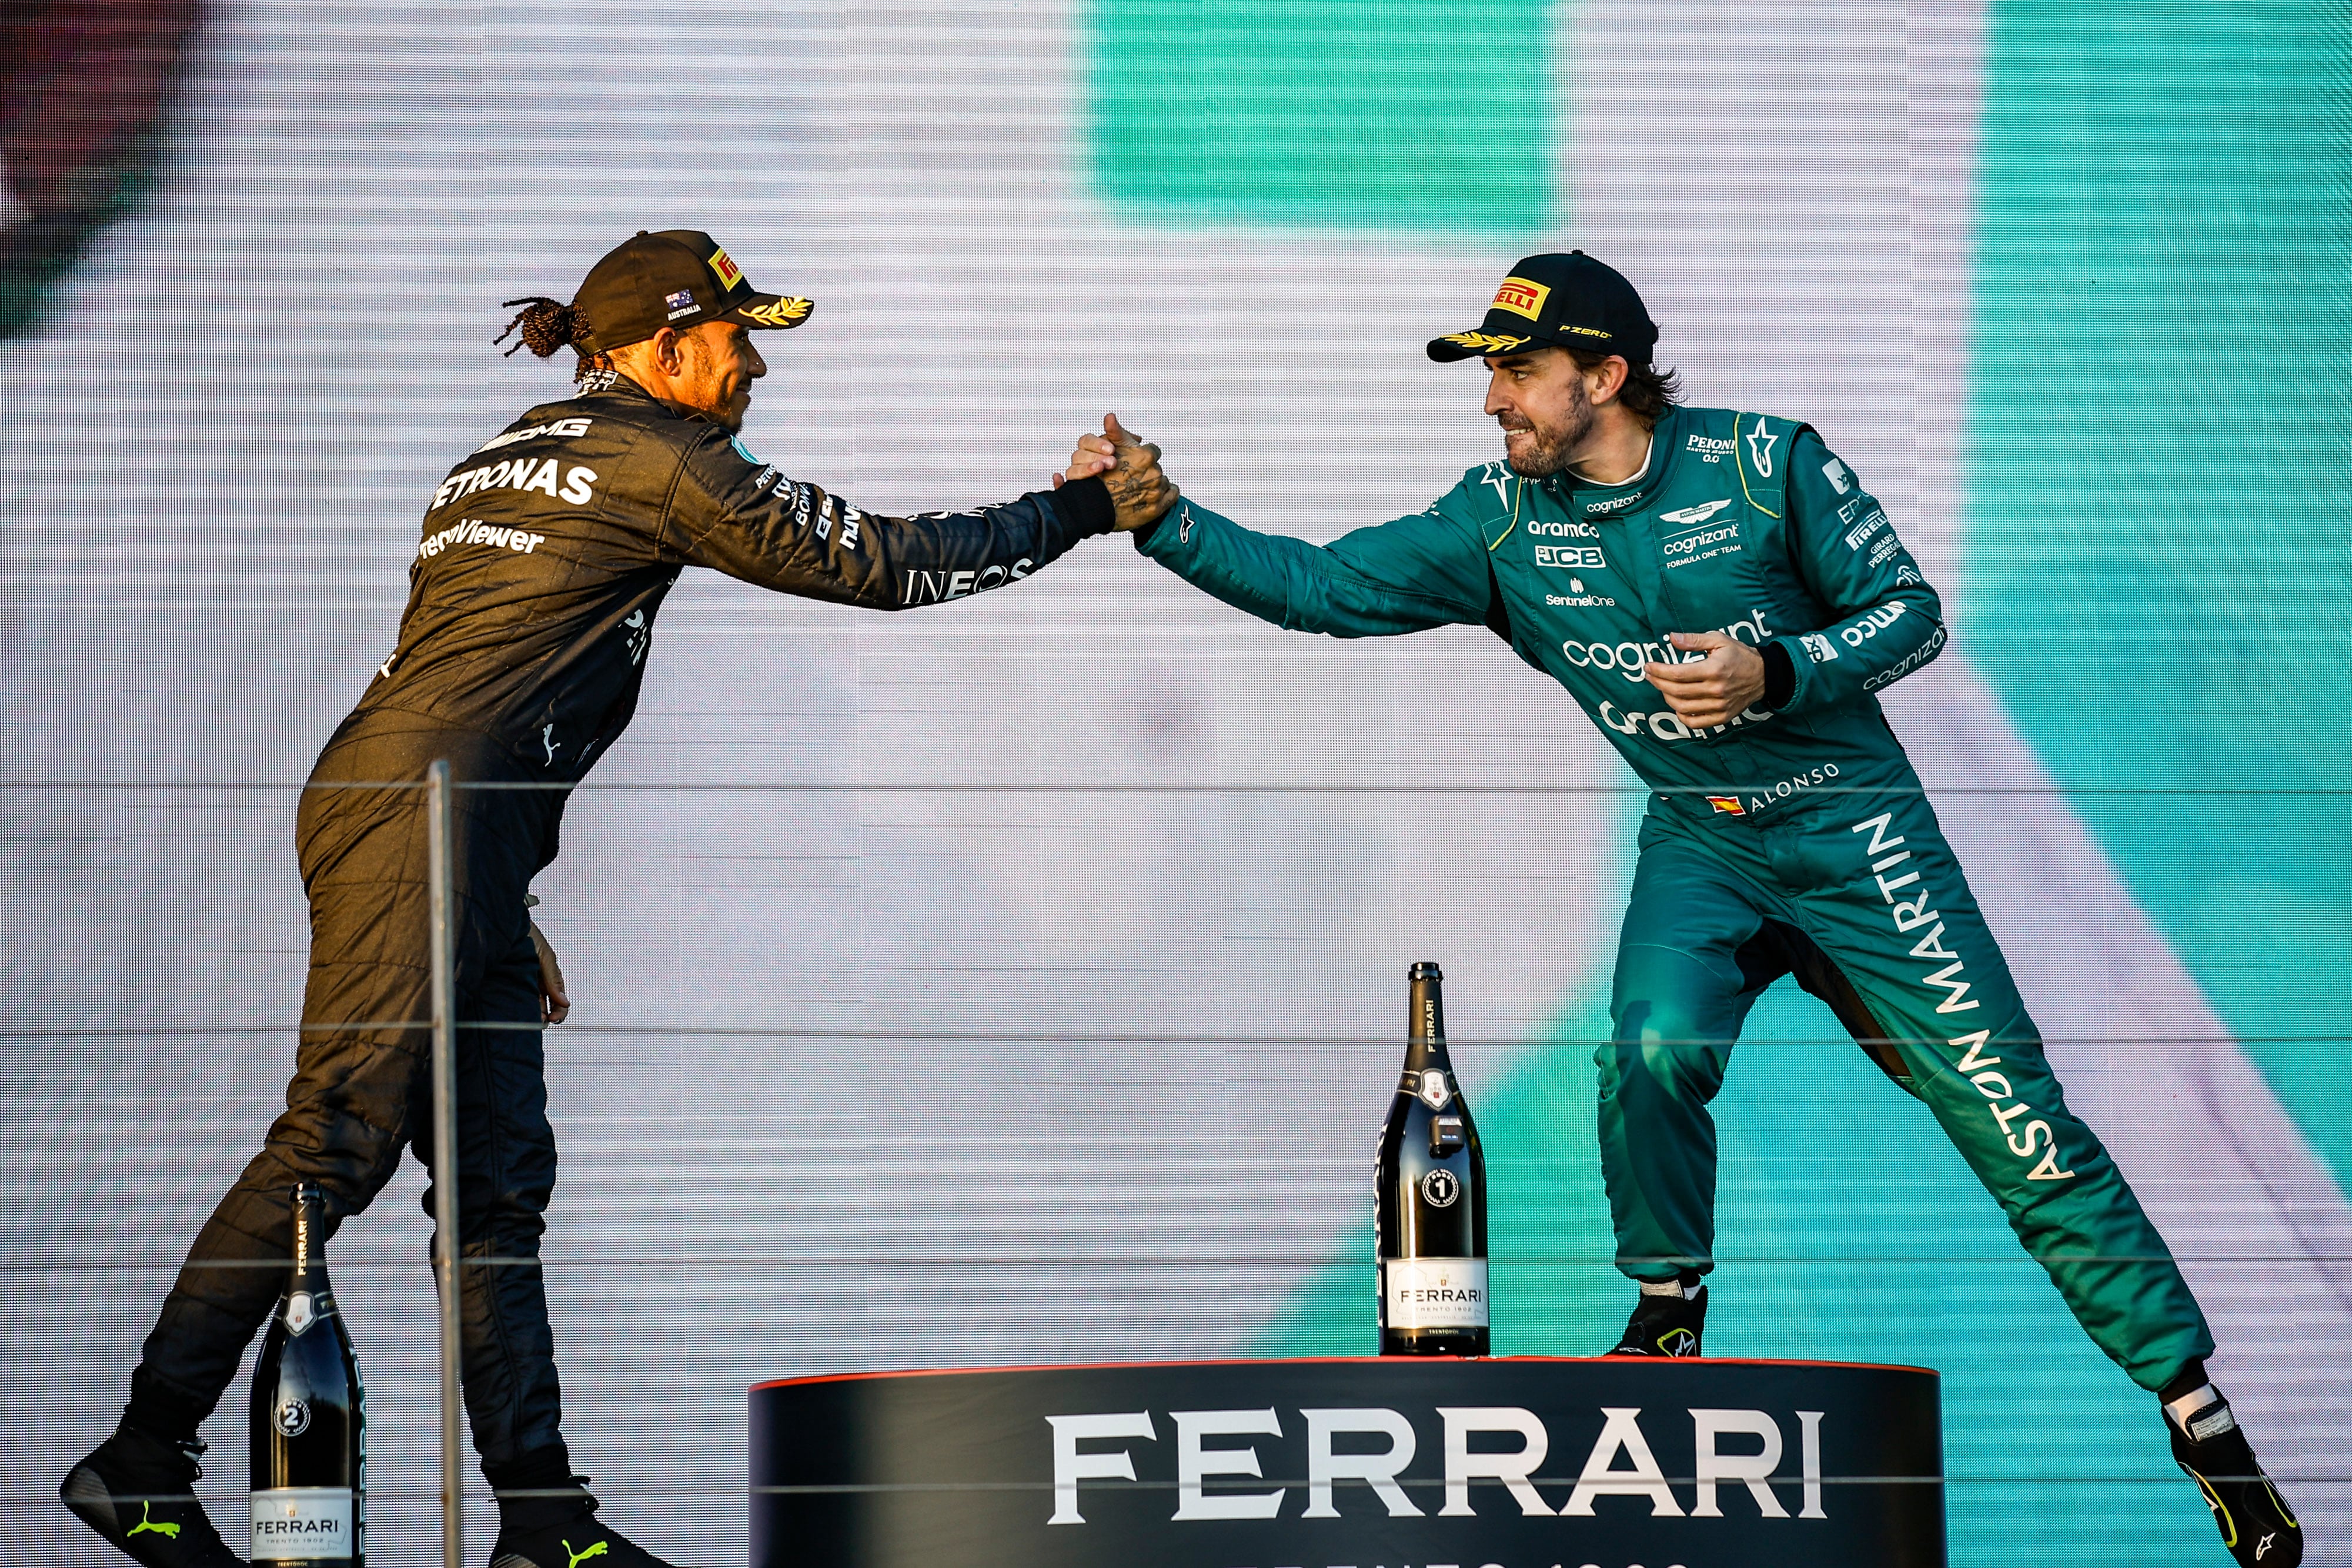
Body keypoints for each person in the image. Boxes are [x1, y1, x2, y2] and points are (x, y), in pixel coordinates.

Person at [1065, 250, 2301, 1568]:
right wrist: (1165, 520)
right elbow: (1326, 589)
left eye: (1518, 372)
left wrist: (1774, 666)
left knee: (2017, 1129)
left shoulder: (1768, 462)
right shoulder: (1497, 520)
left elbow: (1910, 616)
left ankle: (2199, 1417)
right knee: (1649, 1050)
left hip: (1856, 835)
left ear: (1604, 375)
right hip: (1698, 845)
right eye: (1487, 371)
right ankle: (1665, 1306)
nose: (1493, 400)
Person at [62, 228, 1175, 1568]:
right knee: (337, 1140)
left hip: (423, 819)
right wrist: (1077, 508)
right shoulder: (660, 457)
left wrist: (489, 892)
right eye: (735, 335)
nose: (754, 362)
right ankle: (138, 1462)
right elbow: (877, 562)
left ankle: (540, 1523)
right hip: (426, 824)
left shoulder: (504, 450)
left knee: (495, 1186)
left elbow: (461, 674)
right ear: (659, 348)